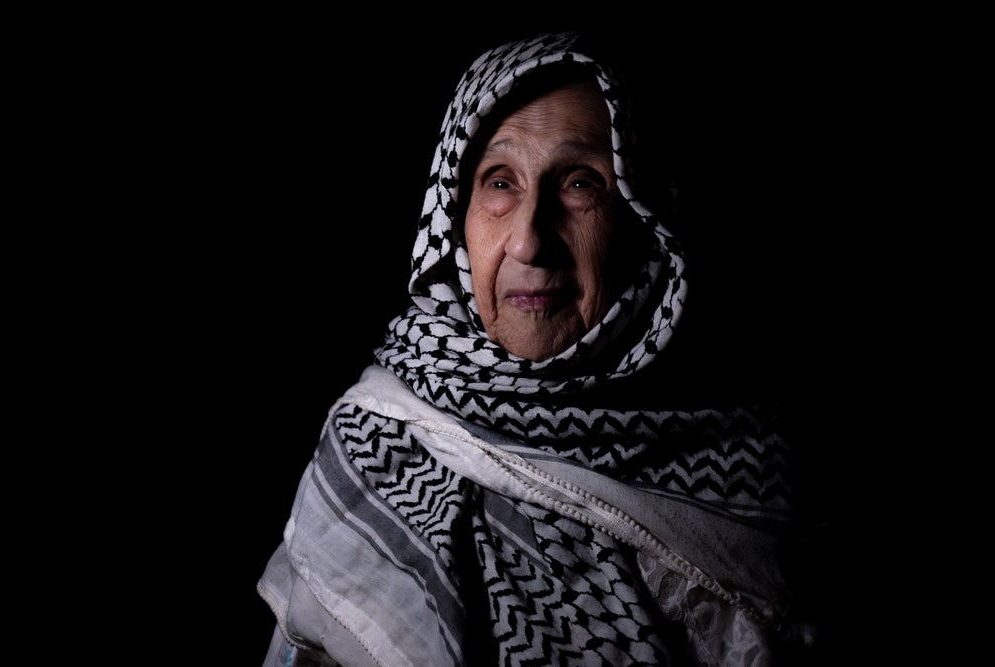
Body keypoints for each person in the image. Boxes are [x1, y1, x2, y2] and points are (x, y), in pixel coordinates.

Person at [257, 30, 826, 666]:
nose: (529, 240)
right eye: (500, 182)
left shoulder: (749, 463)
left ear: (645, 218)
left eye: (580, 184)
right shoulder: (375, 445)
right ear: (455, 214)